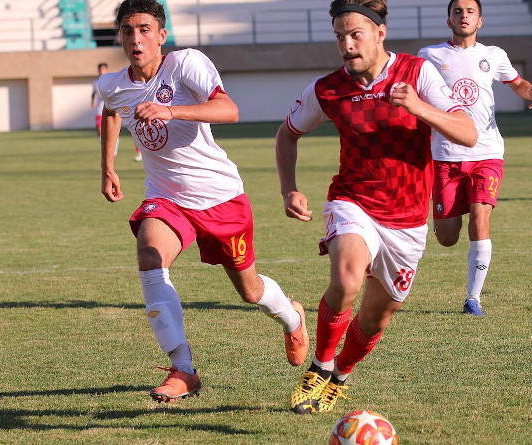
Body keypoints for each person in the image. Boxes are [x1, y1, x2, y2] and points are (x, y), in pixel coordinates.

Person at [96, 0, 309, 404]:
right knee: (150, 257)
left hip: (219, 197)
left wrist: (170, 111)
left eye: (144, 29)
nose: (135, 38)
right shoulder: (112, 84)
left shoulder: (185, 64)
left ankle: (293, 317)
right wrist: (108, 166)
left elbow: (228, 109)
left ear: (161, 35)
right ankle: (184, 370)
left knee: (249, 291)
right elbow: (111, 112)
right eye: (127, 30)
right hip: (166, 198)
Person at [276, 0, 477, 414]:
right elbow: (287, 134)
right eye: (339, 37)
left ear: (380, 34)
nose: (346, 44)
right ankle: (319, 366)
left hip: (406, 218)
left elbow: (468, 133)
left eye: (355, 34)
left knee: (375, 318)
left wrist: (418, 106)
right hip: (353, 201)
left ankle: (340, 376)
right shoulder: (327, 89)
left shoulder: (417, 73)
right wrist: (289, 190)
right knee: (347, 281)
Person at [417, 0, 532, 316]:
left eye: (470, 11)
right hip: (445, 156)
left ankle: (472, 299)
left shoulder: (494, 55)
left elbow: (517, 82)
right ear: (449, 20)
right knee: (447, 237)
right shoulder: (429, 56)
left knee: (480, 217)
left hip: (487, 152)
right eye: (457, 11)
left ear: (480, 20)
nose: (464, 16)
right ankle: (446, 229)